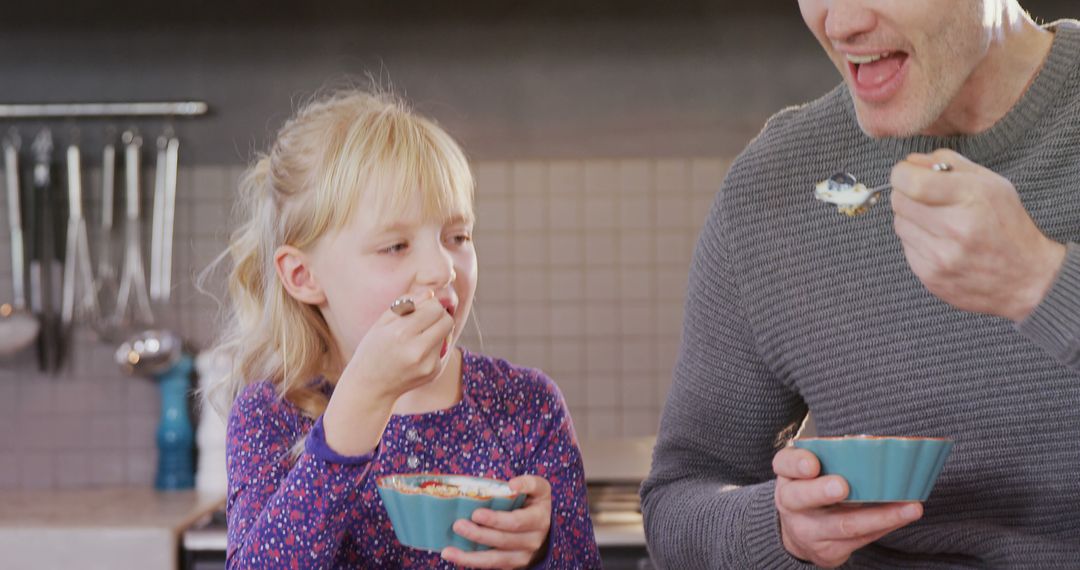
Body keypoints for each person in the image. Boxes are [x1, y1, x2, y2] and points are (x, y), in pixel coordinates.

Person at [641, 1, 1080, 568]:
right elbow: (678, 499)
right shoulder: (773, 185)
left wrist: (1044, 283)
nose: (840, 22)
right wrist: (782, 528)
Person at [209, 89, 601, 569]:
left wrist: (542, 549)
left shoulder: (526, 405)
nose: (442, 269)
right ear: (303, 276)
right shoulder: (272, 412)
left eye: (457, 237)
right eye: (395, 246)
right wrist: (358, 407)